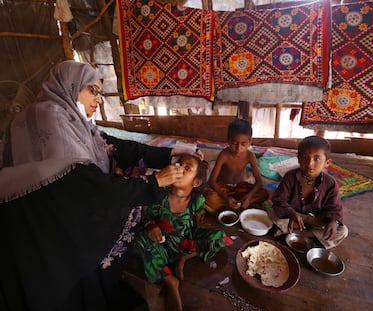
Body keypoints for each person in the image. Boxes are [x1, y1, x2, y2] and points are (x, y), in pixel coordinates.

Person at [0, 61, 187, 311]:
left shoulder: (73, 121)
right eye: (92, 90)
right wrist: (154, 182)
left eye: (99, 92)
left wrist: (170, 153)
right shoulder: (49, 117)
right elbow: (91, 187)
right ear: (70, 85)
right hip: (37, 226)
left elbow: (115, 146)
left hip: (53, 211)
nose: (98, 100)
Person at [134, 153, 232, 311]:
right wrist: (150, 226)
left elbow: (196, 222)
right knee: (140, 239)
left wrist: (201, 228)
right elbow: (146, 220)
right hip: (162, 247)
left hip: (184, 244)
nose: (179, 169)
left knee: (221, 237)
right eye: (178, 165)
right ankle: (170, 280)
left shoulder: (197, 200)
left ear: (196, 182)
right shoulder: (159, 194)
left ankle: (183, 259)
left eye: (187, 168)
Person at [270, 136, 348, 249]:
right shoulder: (290, 177)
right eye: (305, 157)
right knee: (271, 212)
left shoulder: (330, 183)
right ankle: (309, 234)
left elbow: (335, 207)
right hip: (293, 216)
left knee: (342, 231)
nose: (310, 164)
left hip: (316, 219)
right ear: (298, 159)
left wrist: (333, 221)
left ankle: (299, 233)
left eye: (317, 159)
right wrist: (291, 213)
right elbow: (278, 199)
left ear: (327, 163)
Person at [203, 118, 268, 214]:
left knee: (264, 194)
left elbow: (259, 181)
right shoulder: (224, 155)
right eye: (234, 143)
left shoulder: (250, 156)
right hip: (224, 188)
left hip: (240, 187)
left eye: (243, 144)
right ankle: (235, 204)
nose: (238, 148)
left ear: (250, 141)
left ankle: (237, 203)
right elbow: (212, 181)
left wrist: (248, 197)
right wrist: (226, 197)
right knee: (208, 197)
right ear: (228, 140)